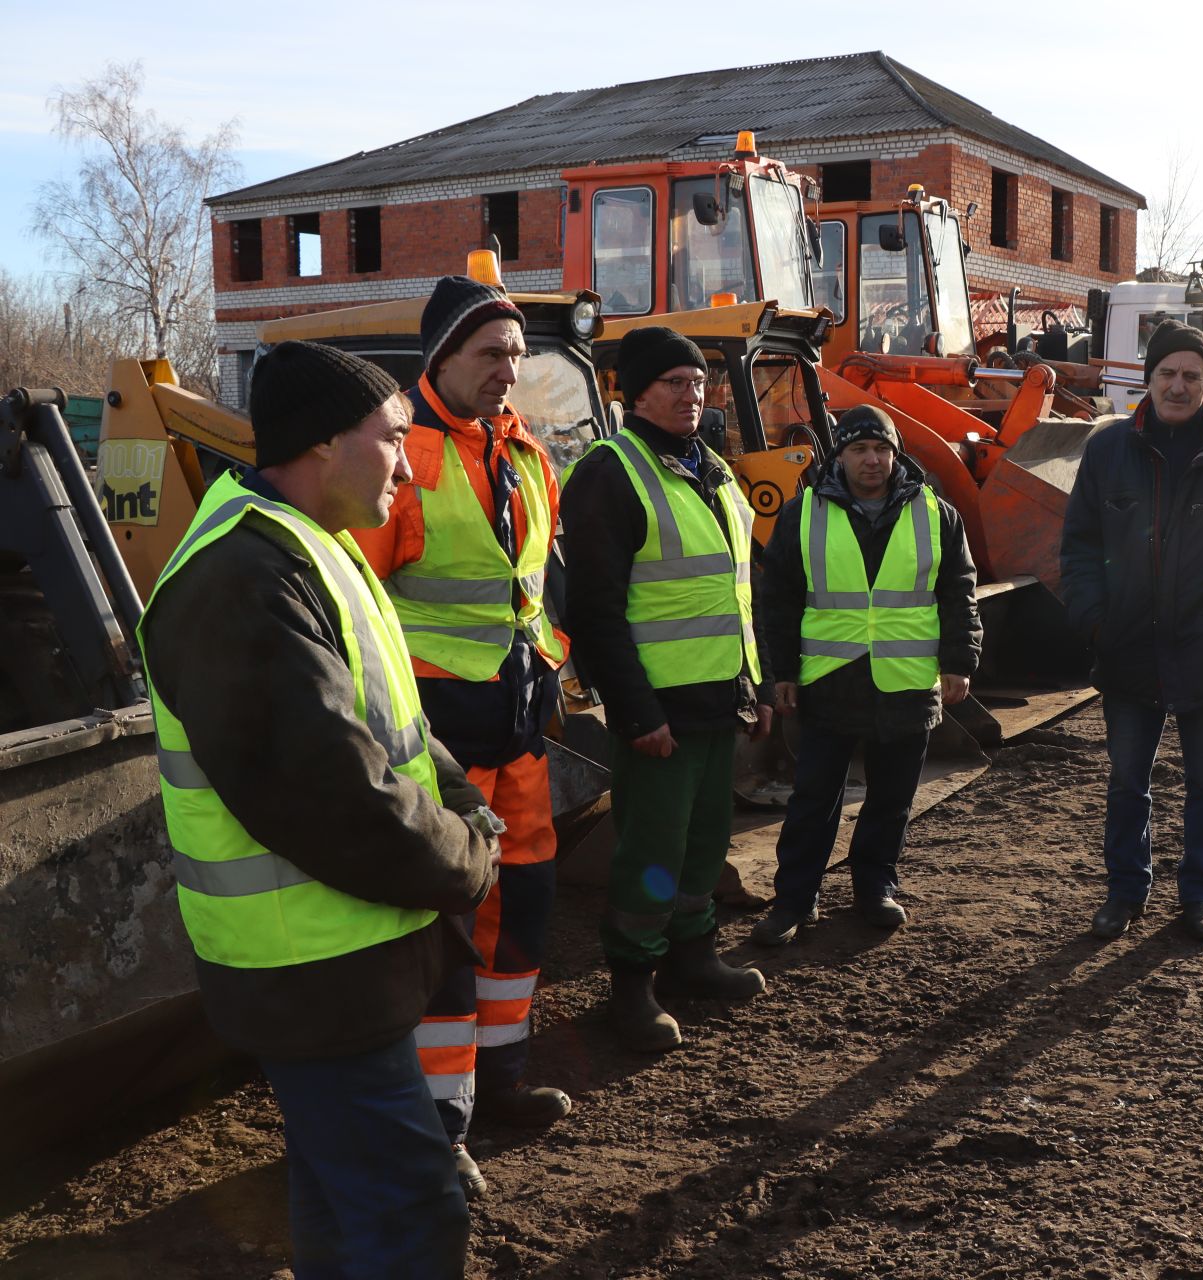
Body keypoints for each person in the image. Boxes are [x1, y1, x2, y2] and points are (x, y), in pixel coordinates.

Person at [137, 340, 499, 1276]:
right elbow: (331, 792)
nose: (409, 462)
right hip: (312, 967)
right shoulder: (241, 580)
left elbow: (391, 722)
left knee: (345, 1207)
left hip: (338, 962)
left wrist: (456, 790)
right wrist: (464, 859)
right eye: (393, 438)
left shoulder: (310, 548)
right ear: (325, 446)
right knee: (415, 1217)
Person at [350, 275, 573, 1199]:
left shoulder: (528, 457)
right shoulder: (405, 464)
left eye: (518, 358)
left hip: (518, 728)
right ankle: (442, 1124)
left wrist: (554, 670)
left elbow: (533, 587)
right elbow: (357, 605)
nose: (508, 373)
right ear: (442, 358)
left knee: (521, 908)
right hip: (436, 743)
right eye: (491, 355)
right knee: (445, 931)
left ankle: (502, 1080)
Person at [560, 326, 773, 1053]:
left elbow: (744, 589)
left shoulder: (709, 466)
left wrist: (761, 683)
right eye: (674, 383)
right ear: (633, 393)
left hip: (718, 698)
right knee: (652, 846)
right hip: (660, 709)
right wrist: (635, 708)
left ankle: (693, 956)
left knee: (706, 840)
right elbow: (594, 611)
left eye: (698, 380)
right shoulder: (609, 472)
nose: (694, 394)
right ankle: (632, 985)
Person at [1059, 319, 1203, 941]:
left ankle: (1198, 897)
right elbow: (1078, 546)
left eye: (1193, 375)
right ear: (1149, 378)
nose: (1179, 384)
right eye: (1168, 372)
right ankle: (1125, 893)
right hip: (1128, 649)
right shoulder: (1108, 451)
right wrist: (1095, 623)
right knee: (1127, 782)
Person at [750, 405, 982, 945]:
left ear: (896, 453)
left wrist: (959, 662)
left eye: (881, 448)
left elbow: (958, 593)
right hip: (830, 678)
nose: (872, 460)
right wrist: (781, 672)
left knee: (892, 797)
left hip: (907, 680)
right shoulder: (802, 512)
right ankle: (794, 900)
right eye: (859, 449)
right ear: (840, 455)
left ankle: (875, 888)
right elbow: (777, 600)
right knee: (814, 798)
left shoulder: (937, 513)